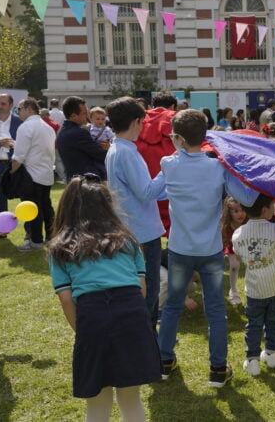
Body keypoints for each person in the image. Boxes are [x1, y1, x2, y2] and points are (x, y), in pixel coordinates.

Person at [157, 109, 258, 388]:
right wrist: (240, 168)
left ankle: (163, 362)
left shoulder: (169, 163)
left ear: (178, 138)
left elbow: (151, 192)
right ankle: (217, 369)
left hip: (180, 248)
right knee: (215, 310)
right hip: (210, 250)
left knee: (172, 307)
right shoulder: (217, 167)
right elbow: (248, 197)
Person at [47, 176, 161, 421]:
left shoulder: (60, 249)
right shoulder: (128, 242)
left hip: (92, 318)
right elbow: (141, 289)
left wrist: (84, 332)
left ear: (66, 209)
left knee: (97, 403)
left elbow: (66, 300)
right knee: (131, 399)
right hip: (133, 315)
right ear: (108, 206)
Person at [104, 97, 167, 330]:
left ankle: (144, 335)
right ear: (136, 122)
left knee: (142, 289)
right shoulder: (126, 152)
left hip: (133, 228)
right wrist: (167, 168)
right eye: (143, 122)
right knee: (149, 290)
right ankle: (146, 337)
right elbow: (146, 191)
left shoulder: (118, 148)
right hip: (142, 232)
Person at [232, 194, 275, 376]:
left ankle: (252, 361)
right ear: (265, 210)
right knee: (273, 321)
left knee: (254, 324)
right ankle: (272, 355)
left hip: (255, 289)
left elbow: (240, 258)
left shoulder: (238, 234)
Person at [10, 98, 56, 251]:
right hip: (46, 173)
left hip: (31, 175)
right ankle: (51, 237)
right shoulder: (47, 127)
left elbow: (19, 156)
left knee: (32, 209)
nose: (18, 112)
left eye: (19, 109)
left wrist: (11, 173)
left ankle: (35, 241)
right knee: (46, 208)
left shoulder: (25, 127)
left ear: (29, 109)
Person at [137, 92, 178, 234]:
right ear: (172, 106)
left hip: (144, 180)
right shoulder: (175, 119)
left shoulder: (138, 120)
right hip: (170, 180)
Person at [56, 97, 107, 180]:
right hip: (87, 181)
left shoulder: (62, 130)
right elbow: (101, 155)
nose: (87, 116)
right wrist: (108, 148)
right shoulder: (79, 133)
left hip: (74, 180)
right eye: (84, 113)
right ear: (73, 116)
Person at [221, 196, 248, 305]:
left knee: (251, 264)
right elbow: (224, 239)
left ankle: (250, 288)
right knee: (234, 265)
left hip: (248, 244)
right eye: (236, 211)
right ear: (229, 212)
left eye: (243, 210)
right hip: (231, 244)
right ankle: (233, 291)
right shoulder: (226, 224)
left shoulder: (249, 221)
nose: (240, 214)